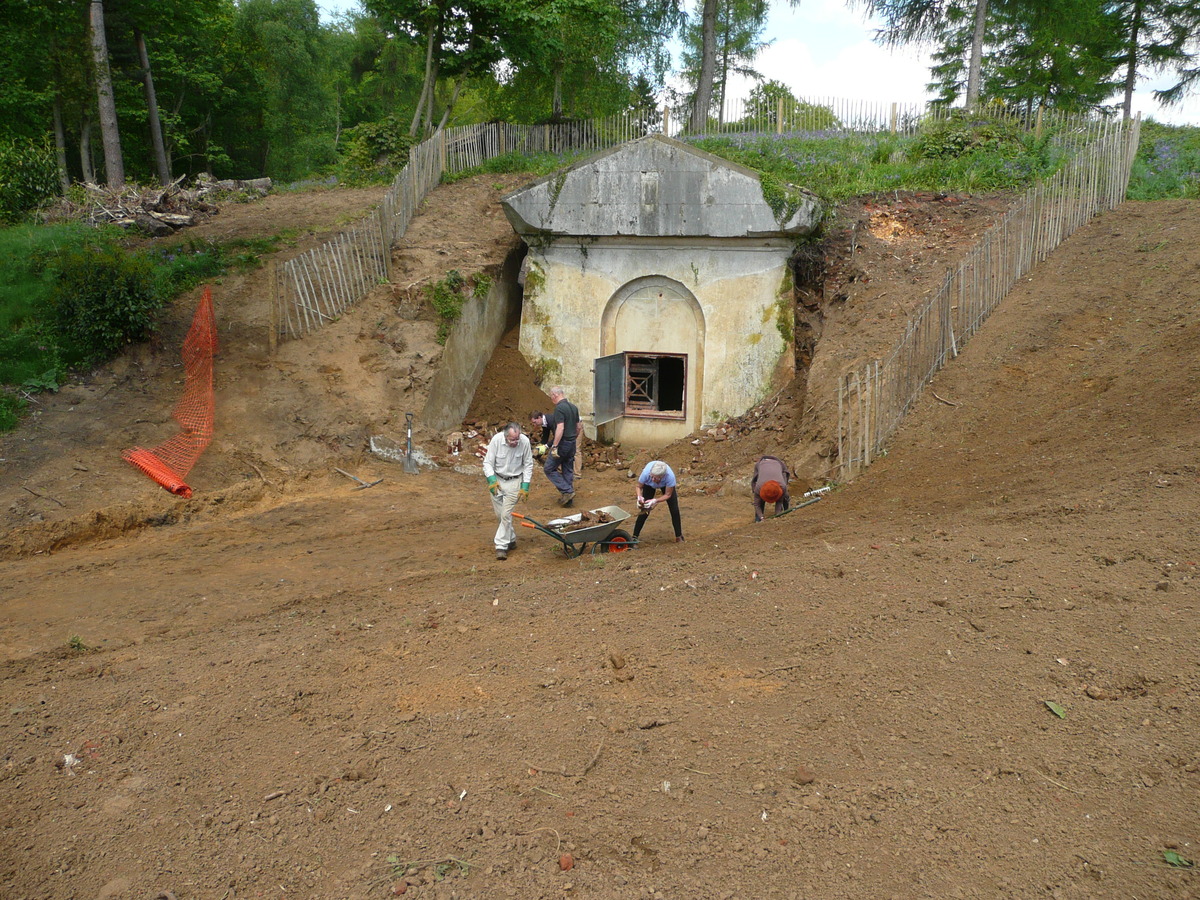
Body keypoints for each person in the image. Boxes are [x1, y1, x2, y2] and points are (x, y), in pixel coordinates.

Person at [482, 422, 533, 560]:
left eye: (517, 439)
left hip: (515, 482)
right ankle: (511, 538)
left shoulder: (525, 442)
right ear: (505, 436)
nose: (515, 442)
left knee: (505, 514)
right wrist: (492, 479)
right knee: (500, 516)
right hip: (498, 481)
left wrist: (525, 485)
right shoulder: (496, 440)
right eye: (512, 440)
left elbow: (528, 464)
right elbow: (487, 463)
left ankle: (501, 546)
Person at [543, 386, 580, 507]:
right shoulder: (574, 408)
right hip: (572, 443)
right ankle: (568, 499)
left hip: (563, 443)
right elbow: (578, 427)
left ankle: (567, 491)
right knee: (568, 469)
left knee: (548, 468)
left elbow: (560, 427)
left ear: (555, 395)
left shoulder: (559, 408)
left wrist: (554, 446)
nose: (551, 399)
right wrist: (573, 438)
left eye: (551, 397)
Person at [632, 460, 684, 543]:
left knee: (674, 510)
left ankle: (679, 536)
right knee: (645, 510)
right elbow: (638, 486)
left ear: (662, 476)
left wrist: (655, 500)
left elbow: (668, 495)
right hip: (648, 486)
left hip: (665, 486)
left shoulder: (670, 477)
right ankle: (634, 537)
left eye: (655, 478)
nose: (652, 479)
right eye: (651, 476)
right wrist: (639, 497)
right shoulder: (646, 473)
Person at [751, 455, 791, 522]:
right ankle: (758, 519)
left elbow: (779, 501)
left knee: (785, 496)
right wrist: (761, 517)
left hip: (778, 463)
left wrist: (778, 514)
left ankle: (787, 512)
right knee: (760, 501)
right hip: (762, 463)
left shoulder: (782, 486)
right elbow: (756, 504)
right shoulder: (758, 487)